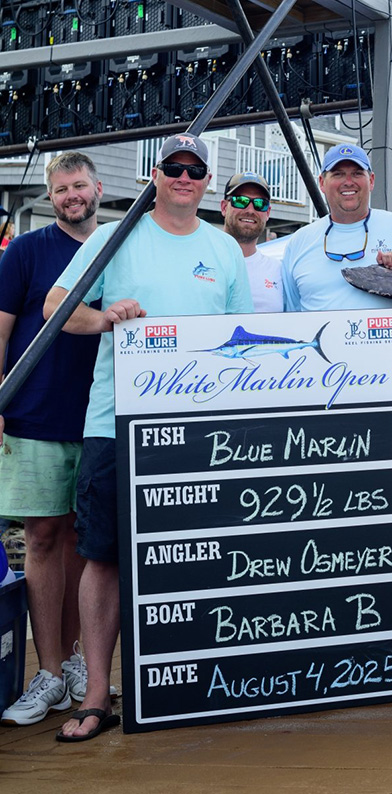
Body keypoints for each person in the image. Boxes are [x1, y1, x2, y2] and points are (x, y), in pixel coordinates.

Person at [44, 134, 253, 742]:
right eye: (173, 167)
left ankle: (191, 684)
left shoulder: (224, 249)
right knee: (104, 556)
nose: (184, 177)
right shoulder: (116, 237)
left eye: (195, 170)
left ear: (208, 182)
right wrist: (104, 316)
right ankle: (96, 694)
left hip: (203, 429)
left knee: (199, 557)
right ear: (154, 175)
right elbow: (59, 310)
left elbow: (243, 337)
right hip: (116, 424)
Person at [0, 153, 103, 726]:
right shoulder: (25, 250)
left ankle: (78, 663)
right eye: (61, 188)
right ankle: (49, 674)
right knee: (40, 537)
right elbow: (2, 327)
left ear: (98, 187)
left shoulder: (116, 243)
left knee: (81, 545)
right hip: (34, 417)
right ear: (52, 195)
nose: (71, 196)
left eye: (79, 185)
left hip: (100, 419)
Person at [281, 144, 392, 321]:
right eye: (338, 174)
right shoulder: (299, 241)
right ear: (322, 183)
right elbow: (291, 318)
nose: (348, 181)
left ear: (371, 180)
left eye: (357, 173)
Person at [220, 170, 282, 312]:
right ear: (224, 207)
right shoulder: (204, 258)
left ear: (267, 213)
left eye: (260, 204)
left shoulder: (278, 270)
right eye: (241, 201)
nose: (250, 210)